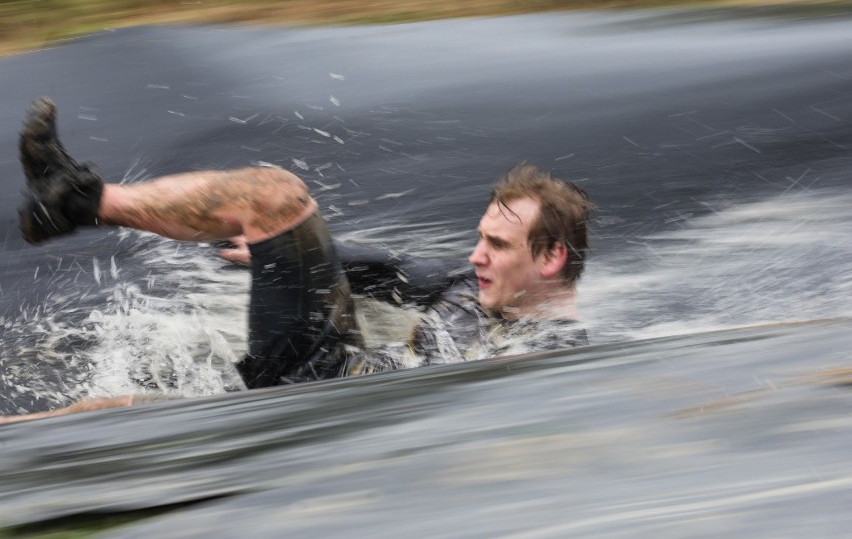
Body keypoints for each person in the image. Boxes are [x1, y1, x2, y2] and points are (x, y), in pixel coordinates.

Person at [2, 97, 591, 422]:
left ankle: (76, 199)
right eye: (481, 237)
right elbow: (386, 268)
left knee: (274, 195)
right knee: (105, 411)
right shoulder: (468, 284)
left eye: (498, 245)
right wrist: (267, 254)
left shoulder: (556, 355)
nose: (476, 254)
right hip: (316, 384)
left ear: (552, 258)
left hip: (336, 401)